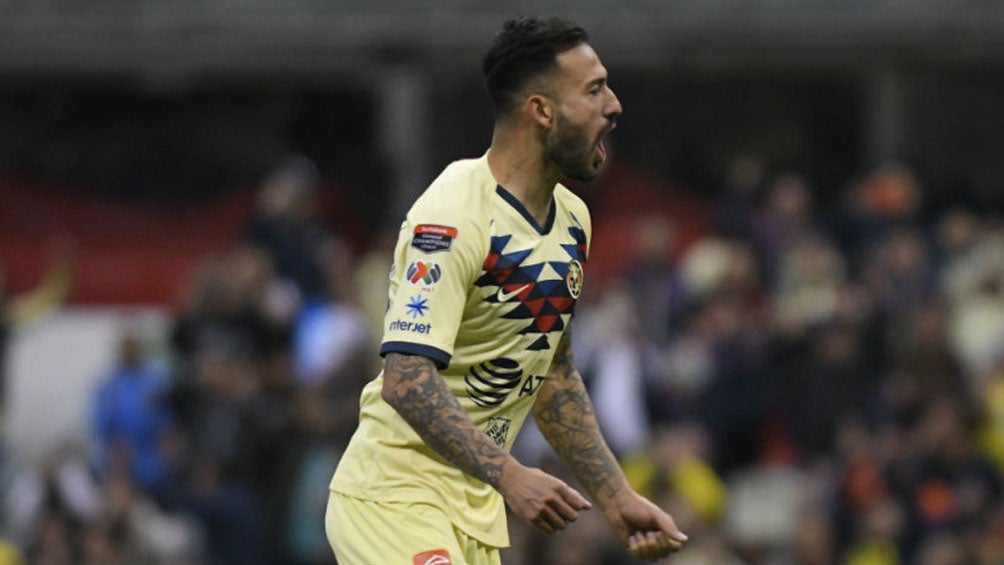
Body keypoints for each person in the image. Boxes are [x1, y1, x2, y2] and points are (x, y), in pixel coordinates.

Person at [326, 16, 687, 564]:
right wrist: (511, 475)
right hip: (393, 500)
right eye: (594, 90)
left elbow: (552, 374)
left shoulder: (572, 220)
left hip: (473, 511)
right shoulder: (452, 215)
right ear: (542, 111)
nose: (613, 106)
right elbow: (406, 379)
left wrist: (616, 497)